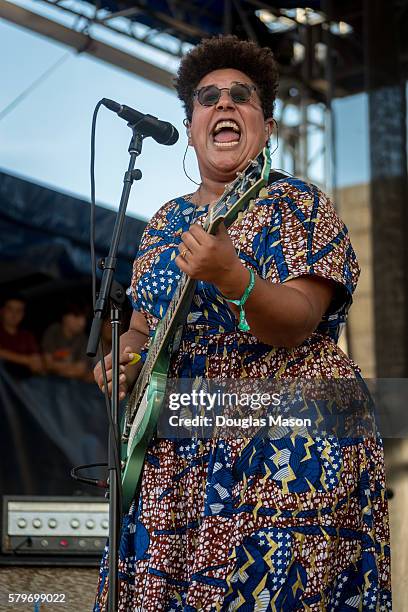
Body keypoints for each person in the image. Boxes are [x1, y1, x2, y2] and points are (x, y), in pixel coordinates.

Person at [93, 35, 391, 610]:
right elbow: (139, 326)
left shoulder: (302, 205)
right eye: (208, 97)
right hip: (177, 454)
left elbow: (299, 322)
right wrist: (124, 358)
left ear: (268, 125)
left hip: (284, 447)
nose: (224, 104)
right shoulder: (164, 222)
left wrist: (235, 279)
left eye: (241, 96)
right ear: (191, 122)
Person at [42, 304, 92, 380]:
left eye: (84, 317)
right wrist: (72, 367)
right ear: (65, 317)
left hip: (74, 383)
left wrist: (57, 367)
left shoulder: (83, 338)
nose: (82, 322)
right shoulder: (53, 332)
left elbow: (81, 370)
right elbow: (48, 364)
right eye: (76, 316)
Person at [0, 294, 43, 377]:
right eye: (10, 309)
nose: (14, 314)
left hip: (26, 379)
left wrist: (38, 365)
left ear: (23, 314)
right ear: (2, 311)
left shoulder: (27, 335)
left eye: (19, 310)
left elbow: (35, 357)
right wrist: (25, 360)